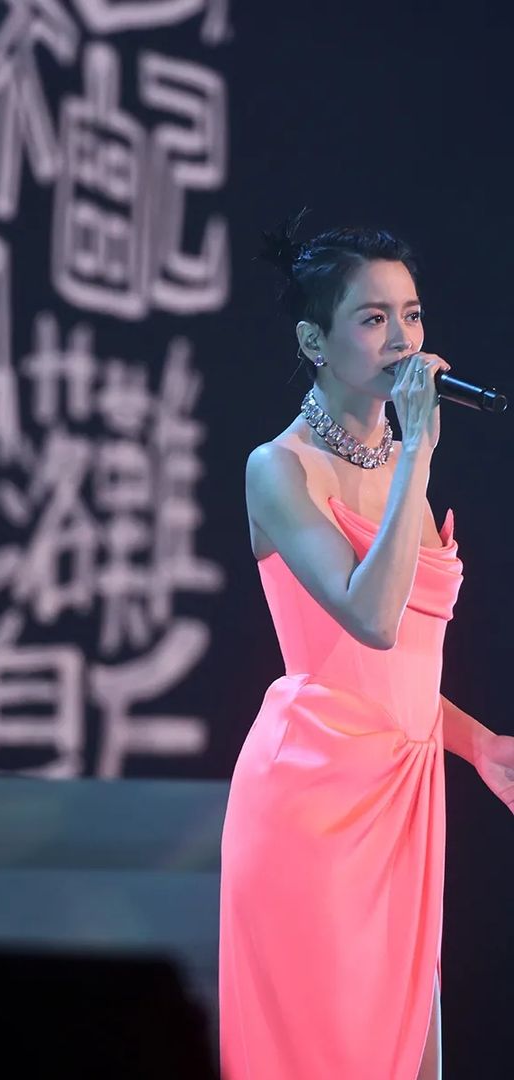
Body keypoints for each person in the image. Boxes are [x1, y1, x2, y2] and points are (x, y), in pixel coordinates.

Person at [218, 213, 514, 1080]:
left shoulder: (399, 464)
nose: (403, 339)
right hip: (314, 805)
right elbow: (371, 620)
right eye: (374, 317)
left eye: (411, 314)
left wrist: (479, 745)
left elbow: (397, 675)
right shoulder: (280, 469)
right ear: (315, 341)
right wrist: (416, 448)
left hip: (404, 797)